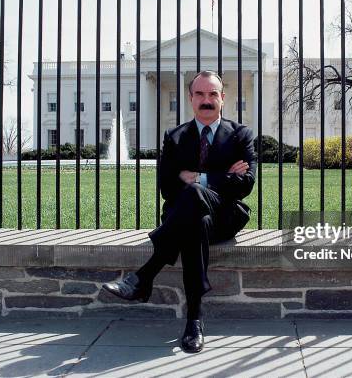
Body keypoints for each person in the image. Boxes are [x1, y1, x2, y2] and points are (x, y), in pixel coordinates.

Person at [102, 70, 256, 353]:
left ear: (223, 98)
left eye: (213, 94)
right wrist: (223, 176)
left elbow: (245, 184)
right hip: (189, 217)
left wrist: (198, 179)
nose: (206, 100)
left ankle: (144, 277)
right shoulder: (174, 137)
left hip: (225, 217)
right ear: (190, 98)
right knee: (194, 220)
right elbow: (167, 187)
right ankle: (193, 322)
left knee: (194, 195)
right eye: (200, 94)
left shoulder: (240, 135)